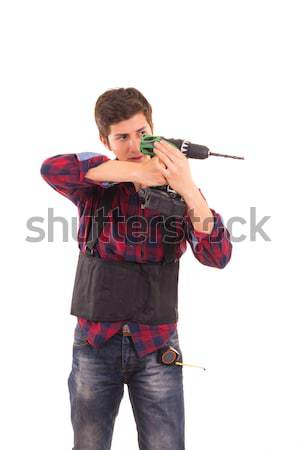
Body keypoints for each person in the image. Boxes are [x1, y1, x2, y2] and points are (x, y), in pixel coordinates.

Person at [40, 87, 232, 450]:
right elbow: (51, 168)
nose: (134, 143)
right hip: (95, 343)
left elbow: (217, 255)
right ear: (105, 140)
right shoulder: (94, 185)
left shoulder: (179, 191)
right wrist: (133, 173)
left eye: (142, 133)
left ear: (154, 131)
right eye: (122, 137)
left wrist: (187, 188)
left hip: (156, 347)